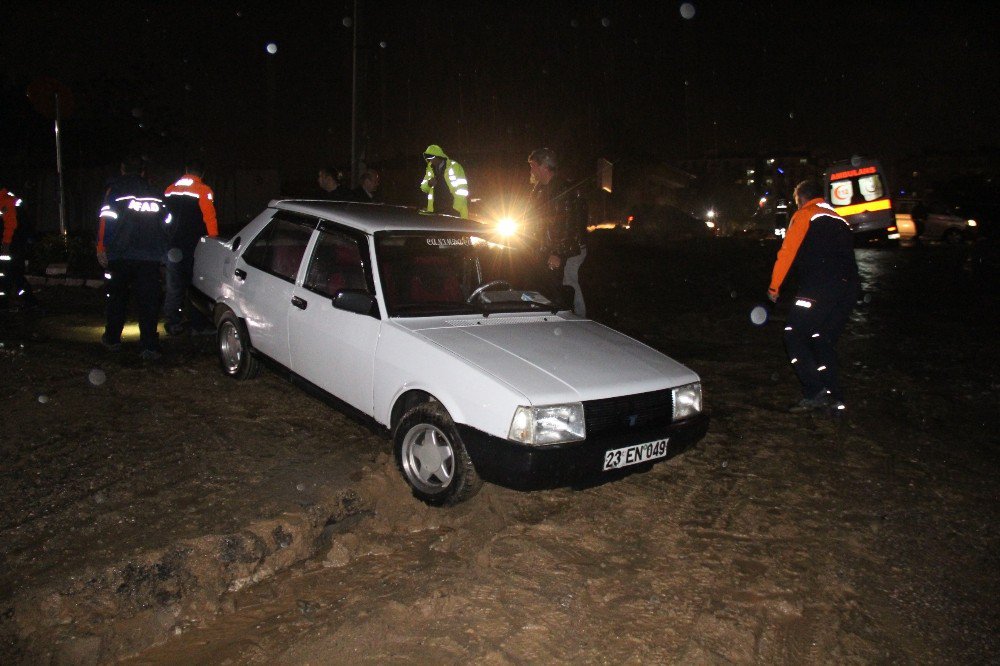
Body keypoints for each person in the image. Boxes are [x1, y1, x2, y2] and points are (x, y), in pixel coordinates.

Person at [768, 179, 859, 413]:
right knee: (822, 339)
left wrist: (774, 288)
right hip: (847, 291)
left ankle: (815, 392)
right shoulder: (840, 219)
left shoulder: (806, 214)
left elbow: (787, 252)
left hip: (819, 288)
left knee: (793, 335)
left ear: (801, 199)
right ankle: (834, 396)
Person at [96, 155, 170, 360]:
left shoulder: (115, 191)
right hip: (149, 257)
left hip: (121, 255)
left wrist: (102, 248)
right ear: (143, 171)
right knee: (148, 302)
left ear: (122, 168)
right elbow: (167, 224)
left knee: (117, 298)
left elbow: (106, 221)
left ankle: (112, 339)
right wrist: (163, 251)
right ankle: (149, 346)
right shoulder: (155, 193)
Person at [527, 148, 588, 316]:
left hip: (569, 249)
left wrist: (557, 253)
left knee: (569, 283)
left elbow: (568, 224)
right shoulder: (539, 189)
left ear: (544, 167)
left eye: (533, 166)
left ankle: (580, 319)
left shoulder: (563, 189)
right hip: (551, 248)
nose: (531, 171)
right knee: (551, 285)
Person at [163, 158, 219, 335]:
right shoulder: (203, 190)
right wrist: (213, 243)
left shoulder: (170, 189)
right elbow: (209, 219)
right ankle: (197, 324)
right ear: (202, 173)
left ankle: (173, 322)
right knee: (195, 285)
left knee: (174, 285)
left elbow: (164, 217)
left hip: (172, 245)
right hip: (195, 247)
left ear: (186, 170)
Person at [0, 184, 39, 309]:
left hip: (11, 245)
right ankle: (6, 301)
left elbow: (11, 225)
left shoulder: (5, 201)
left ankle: (28, 300)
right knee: (7, 274)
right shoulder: (8, 200)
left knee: (12, 274)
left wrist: (6, 243)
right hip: (12, 244)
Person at [419, 144, 468, 218]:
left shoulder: (454, 166)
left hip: (454, 212)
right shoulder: (430, 169)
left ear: (438, 156)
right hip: (435, 212)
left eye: (431, 157)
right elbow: (423, 187)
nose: (430, 160)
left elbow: (462, 189)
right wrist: (429, 183)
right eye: (428, 158)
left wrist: (455, 209)